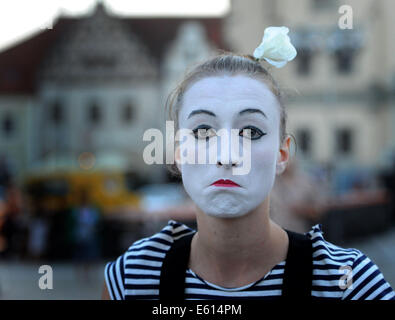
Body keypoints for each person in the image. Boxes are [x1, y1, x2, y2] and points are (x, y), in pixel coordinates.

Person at [102, 26, 395, 300]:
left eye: (251, 132)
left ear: (282, 155)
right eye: (203, 132)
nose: (227, 156)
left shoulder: (348, 283)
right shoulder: (131, 280)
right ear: (178, 152)